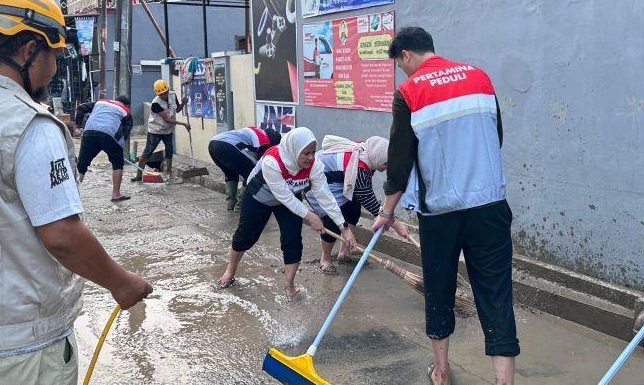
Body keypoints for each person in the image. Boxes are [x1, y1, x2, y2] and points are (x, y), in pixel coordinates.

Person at [0, 0, 152, 384]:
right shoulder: (29, 124)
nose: (54, 68)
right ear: (29, 51)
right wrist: (121, 283)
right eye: (54, 57)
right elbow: (62, 234)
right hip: (21, 343)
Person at [372, 27, 519, 385]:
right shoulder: (480, 77)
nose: (401, 71)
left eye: (398, 64)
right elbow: (495, 137)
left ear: (405, 54)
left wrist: (386, 213)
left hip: (441, 213)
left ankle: (441, 372)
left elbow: (400, 161)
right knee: (496, 293)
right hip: (490, 206)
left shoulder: (409, 92)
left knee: (439, 290)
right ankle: (504, 381)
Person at [217, 127, 357, 300]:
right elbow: (284, 197)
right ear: (294, 150)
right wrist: (311, 216)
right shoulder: (272, 161)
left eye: (313, 152)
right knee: (246, 236)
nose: (311, 157)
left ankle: (290, 286)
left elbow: (324, 195)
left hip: (290, 197)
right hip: (260, 196)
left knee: (292, 241)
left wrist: (343, 227)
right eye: (306, 153)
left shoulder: (315, 165)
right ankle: (230, 270)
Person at [306, 135, 408, 274]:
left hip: (338, 183)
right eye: (386, 163)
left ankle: (345, 252)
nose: (387, 167)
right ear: (378, 157)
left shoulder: (368, 155)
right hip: (318, 184)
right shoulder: (359, 164)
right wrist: (394, 223)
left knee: (353, 209)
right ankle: (325, 258)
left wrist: (384, 216)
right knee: (333, 221)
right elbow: (367, 197)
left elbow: (363, 191)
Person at [207, 126, 282, 210]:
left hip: (213, 144)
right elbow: (261, 162)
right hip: (229, 145)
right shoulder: (265, 141)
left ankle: (231, 203)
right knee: (252, 174)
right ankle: (241, 205)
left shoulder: (257, 131)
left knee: (230, 173)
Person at [75, 96, 134, 202]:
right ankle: (115, 194)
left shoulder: (100, 102)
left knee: (82, 164)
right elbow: (125, 133)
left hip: (89, 132)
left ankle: (73, 195)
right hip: (109, 135)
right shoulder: (126, 112)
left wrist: (78, 126)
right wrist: (118, 150)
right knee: (117, 164)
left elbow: (80, 107)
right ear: (127, 105)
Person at [131, 79, 189, 181]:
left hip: (168, 130)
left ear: (168, 90)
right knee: (147, 152)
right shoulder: (155, 103)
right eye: (161, 94)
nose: (164, 95)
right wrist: (183, 124)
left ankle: (169, 173)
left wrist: (183, 103)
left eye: (165, 92)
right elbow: (167, 119)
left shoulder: (172, 95)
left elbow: (178, 110)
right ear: (158, 94)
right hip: (155, 130)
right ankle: (138, 175)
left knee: (169, 151)